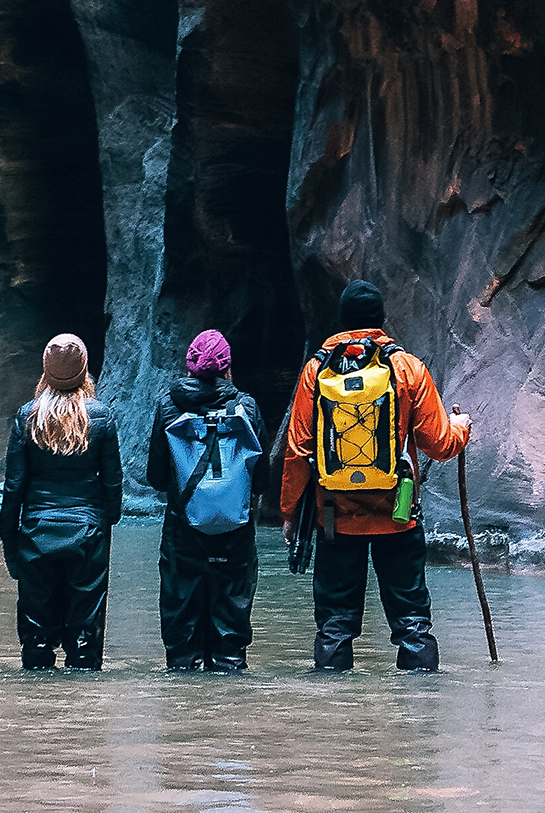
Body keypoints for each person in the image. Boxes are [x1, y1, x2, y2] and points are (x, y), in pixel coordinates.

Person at [280, 279, 470, 673]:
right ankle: (421, 698)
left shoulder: (317, 370)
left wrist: (289, 512)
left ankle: (332, 699)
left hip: (334, 515)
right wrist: (461, 428)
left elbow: (298, 449)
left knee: (335, 624)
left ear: (342, 319)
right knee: (412, 621)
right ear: (382, 320)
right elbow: (439, 444)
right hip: (397, 512)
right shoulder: (406, 368)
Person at [145, 328, 268, 672]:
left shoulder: (168, 406)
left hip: (183, 529)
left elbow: (155, 477)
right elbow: (262, 479)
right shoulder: (247, 407)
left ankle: (184, 690)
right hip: (235, 531)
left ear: (189, 367)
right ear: (228, 368)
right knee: (231, 628)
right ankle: (227, 687)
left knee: (181, 632)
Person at [0, 334, 123, 669]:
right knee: (85, 637)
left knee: (37, 638)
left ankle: (37, 699)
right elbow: (113, 481)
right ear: (84, 370)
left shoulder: (27, 416)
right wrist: (107, 519)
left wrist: (10, 539)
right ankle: (82, 696)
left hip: (36, 531)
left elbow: (14, 487)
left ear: (45, 369)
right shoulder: (101, 416)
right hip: (88, 531)